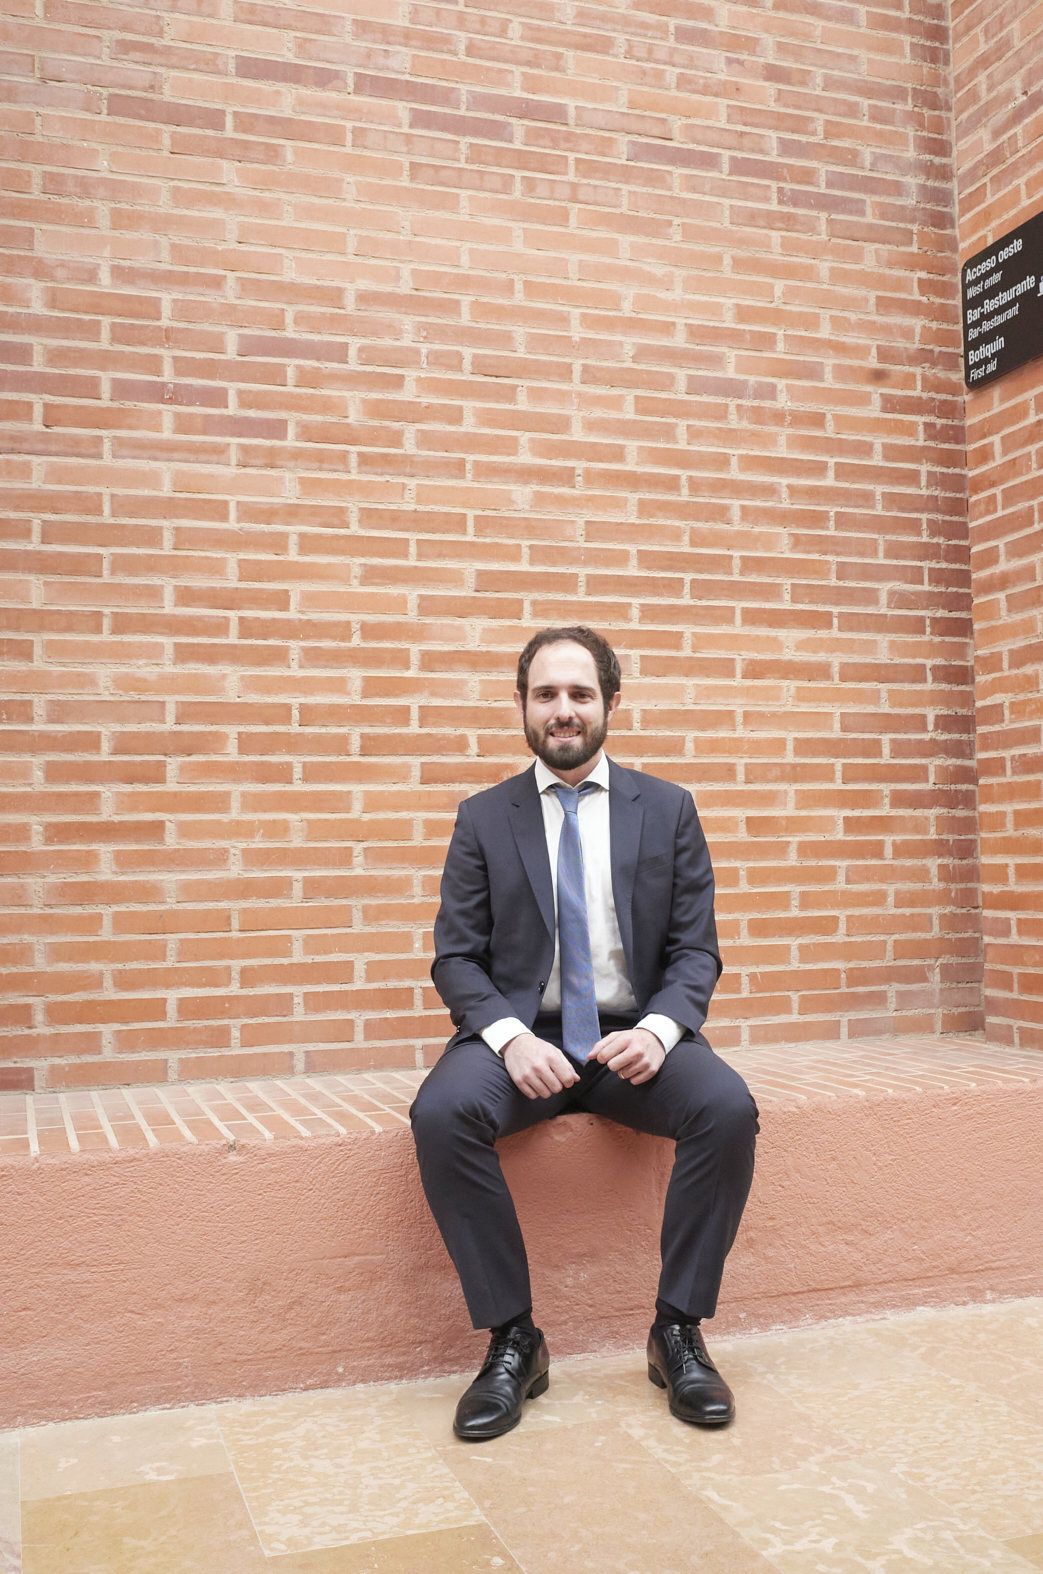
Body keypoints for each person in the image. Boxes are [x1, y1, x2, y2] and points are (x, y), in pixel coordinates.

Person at [410, 626, 758, 1441]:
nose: (561, 710)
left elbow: (695, 950)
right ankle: (513, 1339)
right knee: (440, 1115)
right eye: (545, 694)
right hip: (521, 1037)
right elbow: (455, 958)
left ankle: (677, 1331)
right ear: (522, 704)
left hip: (630, 1039)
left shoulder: (666, 808)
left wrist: (661, 1031)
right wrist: (508, 1038)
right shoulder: (483, 818)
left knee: (725, 1109)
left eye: (578, 693)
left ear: (610, 703)